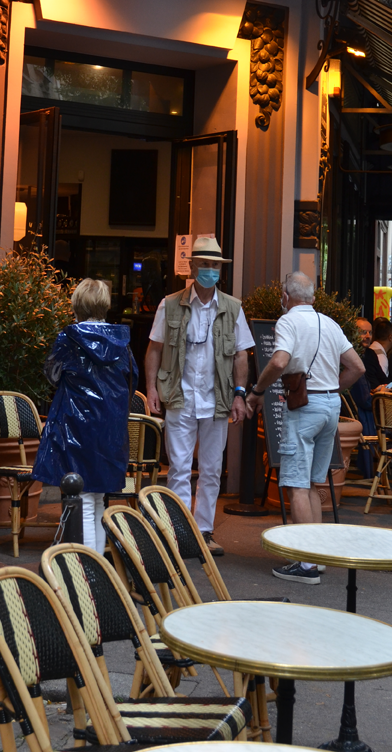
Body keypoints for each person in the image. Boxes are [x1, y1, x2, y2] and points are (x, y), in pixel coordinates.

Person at [245, 271, 364, 585]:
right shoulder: (331, 323)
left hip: (304, 408)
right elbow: (357, 367)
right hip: (330, 407)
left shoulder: (288, 322)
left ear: (286, 296)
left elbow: (280, 361)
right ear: (312, 296)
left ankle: (306, 565)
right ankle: (315, 557)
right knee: (313, 483)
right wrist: (333, 389)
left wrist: (258, 391)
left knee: (298, 484)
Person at [144, 236, 251, 556]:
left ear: (221, 269)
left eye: (215, 265)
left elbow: (242, 355)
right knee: (177, 466)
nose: (210, 269)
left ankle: (203, 531)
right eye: (204, 264)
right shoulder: (170, 303)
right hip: (180, 396)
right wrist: (151, 388)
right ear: (191, 267)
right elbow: (155, 348)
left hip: (216, 399)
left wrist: (239, 394)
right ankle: (178, 530)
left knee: (212, 468)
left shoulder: (233, 307)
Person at [32, 278, 137, 555]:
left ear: (76, 304)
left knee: (81, 498)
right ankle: (99, 564)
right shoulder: (121, 341)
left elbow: (52, 374)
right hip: (111, 424)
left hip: (76, 424)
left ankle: (88, 570)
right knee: (100, 497)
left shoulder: (68, 337)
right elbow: (131, 379)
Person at [361, 317, 392, 390]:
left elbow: (383, 379)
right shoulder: (348, 356)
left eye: (370, 332)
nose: (368, 336)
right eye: (363, 332)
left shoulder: (370, 353)